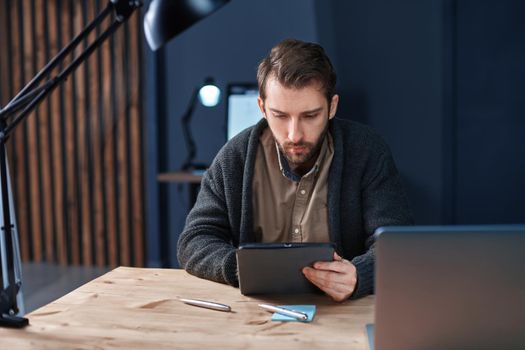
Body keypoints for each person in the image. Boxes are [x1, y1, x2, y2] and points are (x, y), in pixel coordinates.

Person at [177, 38, 413, 301]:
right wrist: (241, 268)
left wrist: (361, 274)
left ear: (332, 107)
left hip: (344, 312)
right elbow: (195, 240)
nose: (295, 134)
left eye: (310, 116)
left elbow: (395, 243)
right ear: (262, 108)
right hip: (255, 313)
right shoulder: (235, 156)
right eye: (280, 115)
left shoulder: (367, 150)